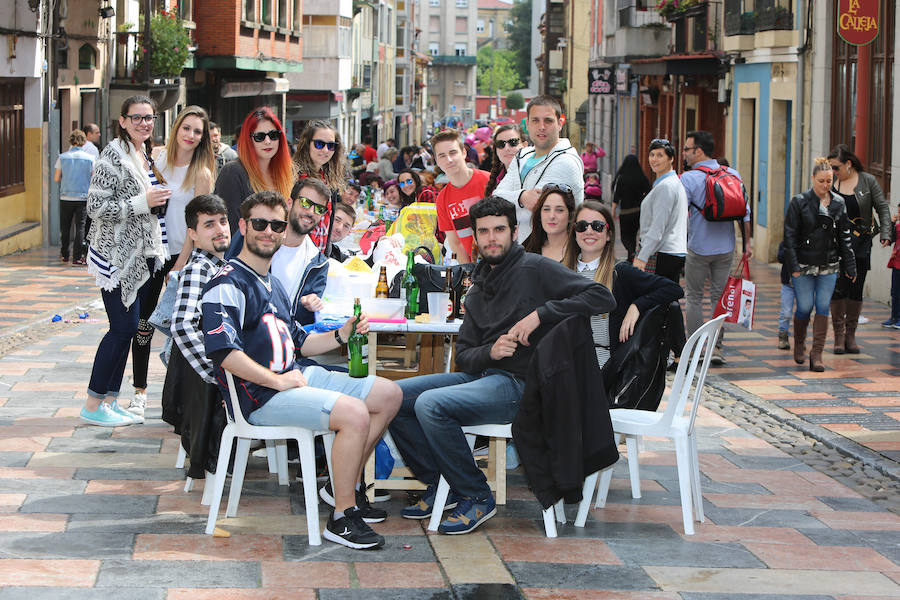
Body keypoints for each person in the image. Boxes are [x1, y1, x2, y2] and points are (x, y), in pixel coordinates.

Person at [388, 195, 614, 534]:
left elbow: (602, 297)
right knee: (392, 396)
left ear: (513, 232)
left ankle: (475, 495)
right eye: (484, 232)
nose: (492, 238)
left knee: (432, 405)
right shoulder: (477, 287)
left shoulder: (535, 268)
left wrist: (540, 314)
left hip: (525, 385)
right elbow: (464, 356)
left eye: (499, 230)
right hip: (483, 376)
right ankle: (437, 483)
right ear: (476, 239)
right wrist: (490, 352)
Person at [201, 190, 402, 549]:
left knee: (388, 394)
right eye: (260, 223)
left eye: (276, 225)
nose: (269, 231)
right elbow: (224, 354)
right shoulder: (226, 283)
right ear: (243, 226)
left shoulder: (272, 283)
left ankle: (343, 487)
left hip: (293, 378)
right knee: (354, 413)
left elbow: (300, 343)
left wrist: (343, 334)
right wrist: (276, 381)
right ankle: (342, 517)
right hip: (260, 397)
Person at [82, 95, 171, 427]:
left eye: (149, 118)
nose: (144, 123)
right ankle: (93, 403)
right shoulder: (112, 155)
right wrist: (142, 201)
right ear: (122, 121)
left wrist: (152, 200)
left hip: (139, 256)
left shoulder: (143, 153)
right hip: (115, 257)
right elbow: (95, 208)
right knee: (121, 329)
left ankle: (109, 400)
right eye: (136, 118)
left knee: (130, 328)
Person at [127, 105, 216, 420]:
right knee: (143, 324)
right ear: (177, 127)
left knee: (180, 330)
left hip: (183, 258)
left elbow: (199, 226)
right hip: (149, 254)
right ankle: (139, 391)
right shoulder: (156, 159)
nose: (190, 136)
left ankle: (178, 399)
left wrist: (179, 266)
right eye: (187, 128)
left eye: (197, 132)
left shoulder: (201, 173)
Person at [563, 201, 683, 368]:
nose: (589, 231)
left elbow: (673, 289)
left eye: (597, 226)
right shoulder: (562, 272)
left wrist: (637, 306)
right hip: (567, 362)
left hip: (604, 368)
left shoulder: (620, 272)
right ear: (574, 232)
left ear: (608, 235)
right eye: (582, 226)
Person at [164, 194, 232, 479]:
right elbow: (181, 324)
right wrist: (215, 372)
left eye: (223, 221)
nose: (219, 229)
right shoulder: (199, 269)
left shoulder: (219, 264)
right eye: (209, 225)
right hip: (206, 388)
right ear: (192, 234)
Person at [680, 130, 752, 365]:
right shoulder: (732, 173)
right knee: (720, 299)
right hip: (726, 247)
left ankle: (697, 348)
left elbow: (680, 215)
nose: (685, 154)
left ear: (699, 151)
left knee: (693, 297)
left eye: (687, 149)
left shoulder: (688, 178)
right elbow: (745, 213)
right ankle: (716, 347)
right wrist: (747, 244)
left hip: (698, 247)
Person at [783, 158, 856, 372]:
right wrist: (793, 266)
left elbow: (845, 236)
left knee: (823, 307)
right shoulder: (800, 202)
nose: (826, 185)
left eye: (830, 181)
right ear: (813, 179)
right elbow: (789, 236)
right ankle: (799, 343)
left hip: (829, 264)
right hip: (804, 265)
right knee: (804, 307)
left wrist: (850, 265)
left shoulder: (838, 203)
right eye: (822, 181)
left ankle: (817, 353)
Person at [826, 144, 892, 354]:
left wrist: (886, 234)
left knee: (856, 287)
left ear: (848, 164)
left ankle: (850, 336)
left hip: (860, 243)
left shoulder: (867, 181)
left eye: (836, 167)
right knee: (837, 287)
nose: (833, 172)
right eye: (830, 168)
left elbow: (882, 207)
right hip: (835, 244)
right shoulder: (831, 183)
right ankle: (838, 336)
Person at [493, 96, 584, 242]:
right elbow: (496, 198)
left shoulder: (566, 162)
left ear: (560, 123)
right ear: (527, 124)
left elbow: (534, 211)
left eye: (548, 120)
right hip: (520, 251)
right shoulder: (522, 155)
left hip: (553, 252)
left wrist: (510, 197)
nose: (541, 126)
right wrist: (522, 196)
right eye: (535, 120)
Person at [215, 107, 295, 233]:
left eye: (273, 135)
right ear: (248, 139)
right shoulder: (232, 172)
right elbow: (230, 228)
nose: (268, 141)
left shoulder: (287, 173)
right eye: (260, 137)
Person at [634, 138, 687, 282]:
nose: (654, 159)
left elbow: (657, 227)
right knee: (665, 299)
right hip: (670, 251)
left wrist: (642, 257)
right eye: (652, 155)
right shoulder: (670, 183)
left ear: (671, 159)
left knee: (656, 300)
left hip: (662, 253)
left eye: (660, 155)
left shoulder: (666, 187)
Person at [432, 130, 490, 262]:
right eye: (442, 156)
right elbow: (456, 244)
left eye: (453, 153)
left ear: (464, 153)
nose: (449, 160)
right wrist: (468, 273)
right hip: (475, 268)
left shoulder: (488, 181)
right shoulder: (442, 199)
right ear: (437, 161)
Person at [293, 120, 348, 252]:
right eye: (319, 144)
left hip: (319, 254)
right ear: (307, 144)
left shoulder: (329, 179)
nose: (325, 150)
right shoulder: (294, 175)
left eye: (331, 146)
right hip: (298, 253)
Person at [54, 129, 94, 265]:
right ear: (84, 142)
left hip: (66, 196)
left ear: (70, 141)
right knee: (80, 227)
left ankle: (64, 254)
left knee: (65, 227)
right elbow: (94, 178)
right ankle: (77, 257)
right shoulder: (90, 158)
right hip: (83, 197)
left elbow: (56, 178)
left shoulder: (63, 157)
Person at [611, 154, 651, 263]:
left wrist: (613, 211)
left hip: (625, 213)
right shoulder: (642, 177)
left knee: (625, 235)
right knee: (634, 234)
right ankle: (631, 253)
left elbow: (616, 197)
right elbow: (649, 192)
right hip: (638, 212)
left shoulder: (622, 178)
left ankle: (630, 251)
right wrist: (642, 201)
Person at [522, 183, 575, 262]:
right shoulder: (527, 251)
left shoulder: (580, 251)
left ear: (570, 215)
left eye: (559, 210)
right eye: (546, 209)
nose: (552, 216)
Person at [484, 124, 525, 197]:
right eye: (500, 144)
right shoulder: (495, 178)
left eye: (513, 142)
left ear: (525, 145)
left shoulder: (534, 174)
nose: (507, 148)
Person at [884, 203, 900, 329]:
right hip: (896, 263)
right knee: (895, 291)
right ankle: (894, 317)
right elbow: (891, 238)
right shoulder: (898, 226)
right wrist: (892, 223)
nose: (898, 215)